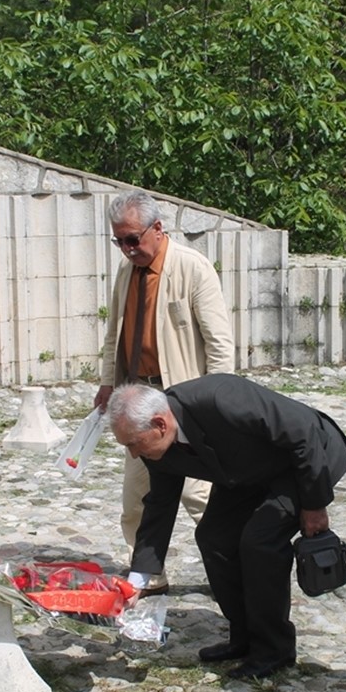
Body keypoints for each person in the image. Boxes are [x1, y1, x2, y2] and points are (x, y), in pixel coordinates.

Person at [106, 375, 346, 679]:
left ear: (160, 424)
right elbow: (159, 506)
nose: (132, 453)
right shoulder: (156, 445)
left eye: (132, 443)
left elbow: (303, 433)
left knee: (259, 543)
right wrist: (137, 581)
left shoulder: (220, 399)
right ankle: (244, 636)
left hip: (305, 462)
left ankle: (274, 649)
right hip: (248, 473)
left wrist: (314, 505)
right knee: (214, 537)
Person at [94, 191, 234, 598]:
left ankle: (235, 571)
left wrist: (218, 403)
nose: (127, 248)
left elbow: (219, 343)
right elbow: (114, 334)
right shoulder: (127, 272)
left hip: (185, 399)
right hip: (138, 398)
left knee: (199, 493)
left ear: (157, 228)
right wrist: (108, 382)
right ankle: (147, 573)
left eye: (132, 239)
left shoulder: (192, 268)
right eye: (119, 241)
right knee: (137, 494)